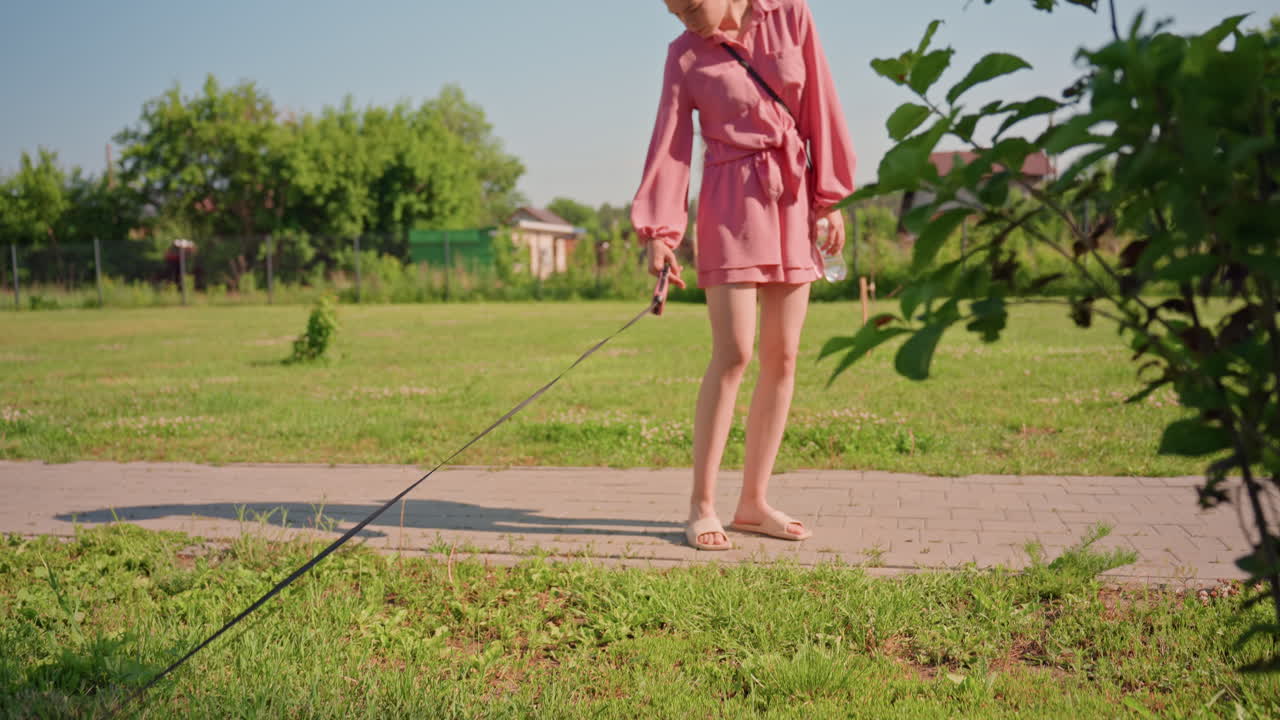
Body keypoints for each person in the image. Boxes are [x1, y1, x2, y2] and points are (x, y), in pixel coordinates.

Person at [631, 0, 856, 550]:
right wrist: (662, 231)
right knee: (734, 351)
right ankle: (701, 506)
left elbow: (821, 102)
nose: (681, 14)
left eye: (689, 2)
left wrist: (829, 197)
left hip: (794, 198)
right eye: (672, 7)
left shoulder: (790, 13)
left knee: (784, 354)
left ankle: (753, 503)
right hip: (730, 201)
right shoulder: (684, 55)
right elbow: (671, 145)